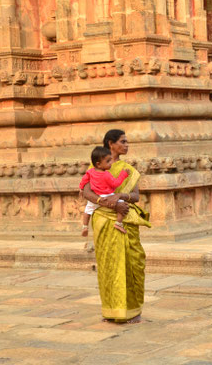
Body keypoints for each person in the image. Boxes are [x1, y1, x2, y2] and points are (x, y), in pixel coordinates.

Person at [81, 129, 151, 324]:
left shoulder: (128, 169)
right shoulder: (94, 166)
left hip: (124, 220)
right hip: (103, 220)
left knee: (131, 264)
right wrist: (110, 203)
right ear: (111, 144)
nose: (127, 145)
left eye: (127, 141)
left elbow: (135, 196)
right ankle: (111, 310)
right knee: (108, 266)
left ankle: (133, 311)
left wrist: (120, 196)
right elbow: (86, 192)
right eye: (123, 141)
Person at [80, 146, 130, 236]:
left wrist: (81, 189)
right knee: (123, 205)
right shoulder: (106, 174)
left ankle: (85, 226)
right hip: (108, 196)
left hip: (95, 197)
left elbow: (84, 181)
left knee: (87, 210)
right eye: (108, 161)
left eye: (110, 160)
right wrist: (124, 174)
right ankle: (118, 223)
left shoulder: (90, 172)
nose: (111, 163)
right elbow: (115, 183)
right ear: (98, 164)